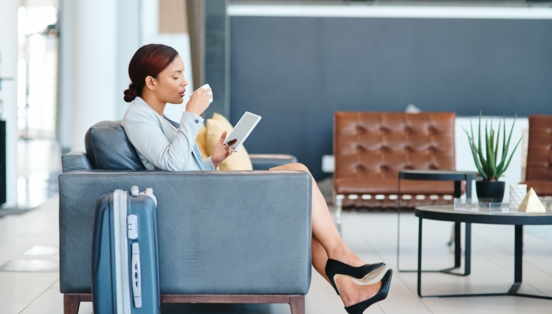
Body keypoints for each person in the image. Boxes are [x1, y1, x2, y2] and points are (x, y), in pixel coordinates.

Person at [122, 44, 392, 314]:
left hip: (204, 197)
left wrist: (213, 160)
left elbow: (180, 169)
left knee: (300, 197)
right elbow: (170, 167)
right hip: (200, 210)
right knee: (298, 173)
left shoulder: (160, 119)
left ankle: (351, 290)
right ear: (151, 82)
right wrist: (191, 116)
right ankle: (344, 257)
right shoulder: (138, 118)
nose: (185, 82)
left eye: (183, 74)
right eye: (176, 76)